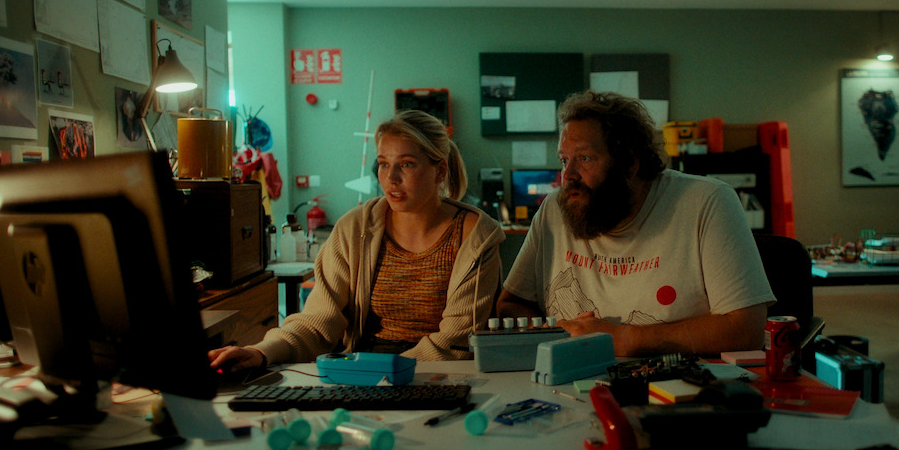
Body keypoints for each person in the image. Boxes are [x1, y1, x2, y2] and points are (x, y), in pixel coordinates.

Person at [210, 110, 505, 371]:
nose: (390, 178)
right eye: (383, 164)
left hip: (439, 375)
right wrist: (261, 353)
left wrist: (381, 373)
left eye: (407, 164)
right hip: (362, 372)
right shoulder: (355, 228)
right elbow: (317, 324)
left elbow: (456, 342)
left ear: (439, 170)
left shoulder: (474, 235)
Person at [497, 90, 776, 357]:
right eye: (563, 160)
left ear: (630, 163)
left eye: (584, 158)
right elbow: (511, 305)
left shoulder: (707, 202)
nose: (567, 175)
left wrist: (620, 339)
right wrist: (554, 335)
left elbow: (746, 330)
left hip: (679, 390)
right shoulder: (554, 211)